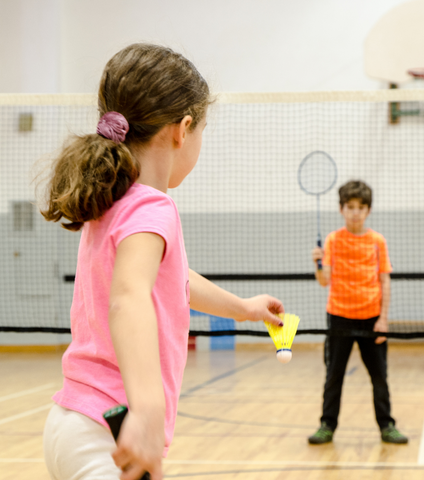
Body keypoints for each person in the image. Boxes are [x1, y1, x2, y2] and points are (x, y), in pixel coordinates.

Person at [41, 43, 285, 480]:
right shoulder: (153, 208)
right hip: (112, 430)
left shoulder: (112, 203)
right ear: (183, 129)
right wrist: (148, 409)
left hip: (71, 423)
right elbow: (129, 298)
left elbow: (173, 283)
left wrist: (244, 308)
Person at [308, 180, 408, 445]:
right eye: (350, 207)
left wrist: (384, 319)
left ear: (368, 210)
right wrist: (318, 263)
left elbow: (385, 280)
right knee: (333, 375)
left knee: (379, 377)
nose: (355, 212)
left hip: (372, 319)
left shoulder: (377, 241)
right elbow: (324, 280)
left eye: (360, 207)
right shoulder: (333, 240)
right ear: (341, 209)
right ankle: (326, 425)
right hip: (338, 317)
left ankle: (387, 426)